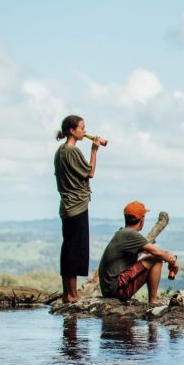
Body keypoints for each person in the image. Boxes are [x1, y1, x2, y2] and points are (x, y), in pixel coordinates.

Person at [54, 114, 105, 303]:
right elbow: (90, 172)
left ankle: (67, 292)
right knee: (75, 250)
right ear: (72, 130)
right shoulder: (72, 152)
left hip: (66, 205)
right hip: (77, 204)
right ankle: (73, 294)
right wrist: (94, 150)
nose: (85, 131)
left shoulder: (60, 151)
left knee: (68, 248)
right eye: (82, 128)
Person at [97, 201, 179, 305]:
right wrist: (173, 261)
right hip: (116, 290)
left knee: (153, 257)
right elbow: (159, 253)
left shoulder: (122, 233)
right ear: (142, 219)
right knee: (156, 258)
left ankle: (153, 301)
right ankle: (153, 302)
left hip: (109, 289)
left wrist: (168, 257)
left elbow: (146, 250)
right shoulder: (130, 234)